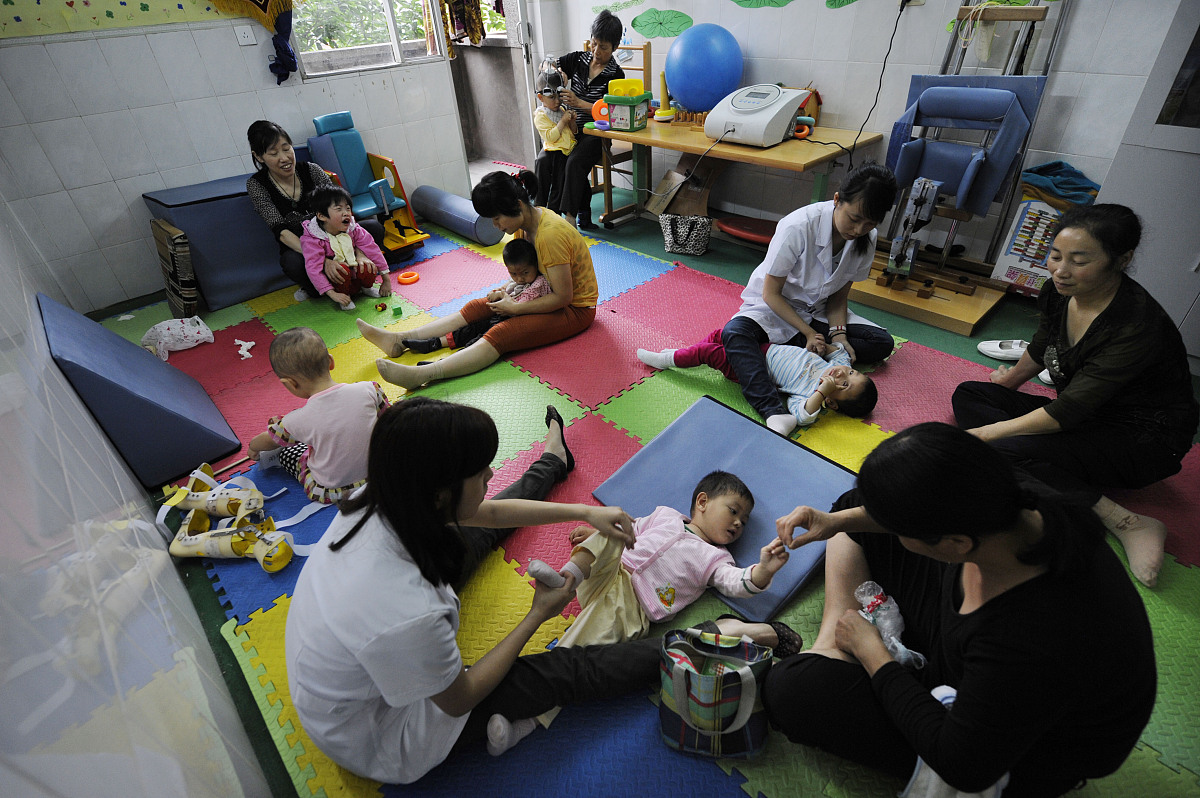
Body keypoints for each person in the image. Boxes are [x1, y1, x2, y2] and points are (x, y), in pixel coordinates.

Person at [284, 397, 664, 783]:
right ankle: (687, 647)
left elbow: (491, 513)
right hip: (381, 737)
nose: (491, 472)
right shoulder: (411, 609)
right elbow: (460, 697)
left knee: (478, 533)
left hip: (341, 687)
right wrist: (537, 614)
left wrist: (586, 512)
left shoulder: (385, 496)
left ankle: (553, 461)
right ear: (440, 493)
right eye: (479, 471)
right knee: (566, 670)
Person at [767, 423, 1156, 797]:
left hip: (1016, 756)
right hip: (972, 641)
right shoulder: (1008, 498)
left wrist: (873, 655)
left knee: (793, 691)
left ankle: (844, 652)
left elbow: (962, 765)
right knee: (855, 507)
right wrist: (834, 522)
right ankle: (832, 644)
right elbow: (896, 513)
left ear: (956, 543)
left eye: (904, 531)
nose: (897, 532)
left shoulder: (1030, 635)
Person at [952, 203, 1198, 588]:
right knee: (970, 395)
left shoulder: (1135, 324)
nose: (1060, 270)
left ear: (1122, 260)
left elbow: (1066, 412)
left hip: (1142, 440)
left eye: (1079, 261)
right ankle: (1041, 464)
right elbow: (1042, 345)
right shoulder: (1060, 291)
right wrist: (1007, 385)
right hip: (1087, 415)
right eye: (1055, 256)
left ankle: (1127, 521)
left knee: (999, 448)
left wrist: (985, 435)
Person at [357, 171, 598, 390]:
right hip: (539, 291)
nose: (496, 225)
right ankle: (398, 340)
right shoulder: (525, 225)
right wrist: (505, 291)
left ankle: (424, 374)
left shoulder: (550, 235)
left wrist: (515, 308)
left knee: (503, 333)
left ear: (517, 205)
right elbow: (530, 275)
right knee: (477, 307)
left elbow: (563, 297)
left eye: (497, 218)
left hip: (575, 309)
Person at [720, 163, 899, 436]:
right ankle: (772, 410)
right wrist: (808, 333)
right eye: (854, 219)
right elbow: (770, 293)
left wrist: (839, 336)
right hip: (774, 309)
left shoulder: (867, 238)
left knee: (881, 343)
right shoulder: (798, 225)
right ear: (837, 200)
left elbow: (839, 297)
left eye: (869, 224)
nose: (859, 230)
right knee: (734, 333)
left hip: (818, 311)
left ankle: (777, 355)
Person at [246, 120, 388, 302]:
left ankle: (355, 275)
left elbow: (343, 208)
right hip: (304, 248)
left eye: (286, 148)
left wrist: (359, 253)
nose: (284, 158)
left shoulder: (311, 170)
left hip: (338, 236)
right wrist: (324, 260)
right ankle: (323, 287)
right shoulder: (257, 185)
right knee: (292, 263)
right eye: (273, 153)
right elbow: (281, 232)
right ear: (259, 157)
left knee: (373, 228)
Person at [247, 327, 389, 504]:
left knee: (290, 452)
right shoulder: (369, 389)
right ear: (330, 362)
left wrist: (253, 446)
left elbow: (268, 440)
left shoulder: (295, 420)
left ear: (290, 384)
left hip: (334, 490)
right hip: (383, 474)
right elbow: (389, 419)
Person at [638, 332, 878, 426]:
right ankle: (683, 355)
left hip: (748, 369)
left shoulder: (808, 394)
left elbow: (803, 416)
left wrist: (821, 392)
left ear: (832, 402)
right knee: (720, 334)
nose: (842, 374)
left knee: (708, 353)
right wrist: (825, 347)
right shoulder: (836, 367)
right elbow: (841, 354)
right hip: (762, 347)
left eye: (844, 385)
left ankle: (667, 360)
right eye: (852, 373)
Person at [402, 239, 551, 354]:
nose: (520, 278)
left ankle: (462, 355)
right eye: (513, 274)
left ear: (535, 265)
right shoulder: (516, 279)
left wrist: (502, 296)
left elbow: (521, 304)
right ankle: (434, 343)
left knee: (485, 335)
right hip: (503, 315)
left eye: (525, 273)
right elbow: (505, 288)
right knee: (472, 328)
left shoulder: (538, 283)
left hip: (516, 320)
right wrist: (496, 292)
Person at [552, 10, 625, 229]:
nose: (596, 51)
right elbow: (546, 65)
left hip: (597, 134)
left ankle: (569, 219)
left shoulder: (616, 75)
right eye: (594, 43)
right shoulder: (577, 59)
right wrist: (559, 74)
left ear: (615, 47)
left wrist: (580, 102)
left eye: (603, 47)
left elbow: (612, 113)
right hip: (570, 128)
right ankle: (577, 212)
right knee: (556, 158)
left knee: (574, 161)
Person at [300, 185, 391, 311]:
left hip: (355, 272)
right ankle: (344, 295)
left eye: (348, 208)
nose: (346, 213)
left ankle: (366, 288)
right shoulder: (313, 238)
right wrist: (332, 294)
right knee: (339, 269)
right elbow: (313, 268)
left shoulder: (354, 229)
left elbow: (372, 249)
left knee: (366, 264)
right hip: (338, 280)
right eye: (339, 209)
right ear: (322, 216)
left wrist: (386, 280)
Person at [532, 69, 577, 216]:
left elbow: (573, 133)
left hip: (566, 151)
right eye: (552, 97)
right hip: (554, 152)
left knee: (560, 184)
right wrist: (563, 121)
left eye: (559, 96)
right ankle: (542, 209)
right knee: (551, 179)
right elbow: (550, 137)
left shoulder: (562, 109)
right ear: (541, 97)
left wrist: (572, 122)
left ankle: (554, 213)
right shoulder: (541, 115)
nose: (557, 101)